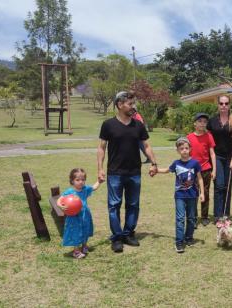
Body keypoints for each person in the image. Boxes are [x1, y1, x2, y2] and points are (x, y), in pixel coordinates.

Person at [97, 91, 158, 253]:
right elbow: (101, 148)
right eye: (130, 104)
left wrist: (153, 163)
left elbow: (146, 146)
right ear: (119, 105)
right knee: (114, 205)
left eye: (133, 104)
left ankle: (128, 234)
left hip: (134, 172)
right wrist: (100, 169)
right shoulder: (108, 124)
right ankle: (117, 238)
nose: (133, 107)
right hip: (115, 173)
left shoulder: (138, 125)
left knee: (133, 205)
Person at [155, 137, 204, 253]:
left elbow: (200, 179)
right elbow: (167, 170)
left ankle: (189, 238)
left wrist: (202, 193)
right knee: (180, 219)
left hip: (193, 195)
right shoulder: (176, 164)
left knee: (192, 218)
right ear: (178, 150)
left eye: (187, 148)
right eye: (181, 149)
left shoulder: (195, 163)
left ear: (190, 149)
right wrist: (156, 170)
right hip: (180, 196)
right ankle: (179, 242)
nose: (185, 151)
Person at [207, 95, 232, 222]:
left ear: (229, 105)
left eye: (226, 103)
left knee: (227, 186)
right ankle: (217, 215)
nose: (224, 106)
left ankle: (225, 215)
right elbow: (209, 141)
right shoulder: (212, 121)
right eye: (221, 103)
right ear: (218, 105)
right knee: (219, 185)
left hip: (229, 158)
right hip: (216, 157)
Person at [57, 168, 102, 259]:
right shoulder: (70, 192)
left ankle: (84, 246)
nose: (81, 182)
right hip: (74, 217)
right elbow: (60, 199)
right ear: (72, 181)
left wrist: (99, 181)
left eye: (83, 180)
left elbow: (94, 187)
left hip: (85, 215)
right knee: (76, 233)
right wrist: (60, 206)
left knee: (85, 230)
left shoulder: (85, 189)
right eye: (77, 180)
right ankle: (76, 251)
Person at [186, 113, 216, 227]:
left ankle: (204, 216)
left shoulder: (209, 136)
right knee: (193, 194)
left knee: (206, 193)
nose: (202, 124)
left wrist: (214, 170)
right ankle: (193, 217)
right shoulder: (189, 138)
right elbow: (185, 154)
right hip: (192, 170)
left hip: (206, 169)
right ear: (195, 123)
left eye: (204, 122)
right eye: (200, 121)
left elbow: (212, 154)